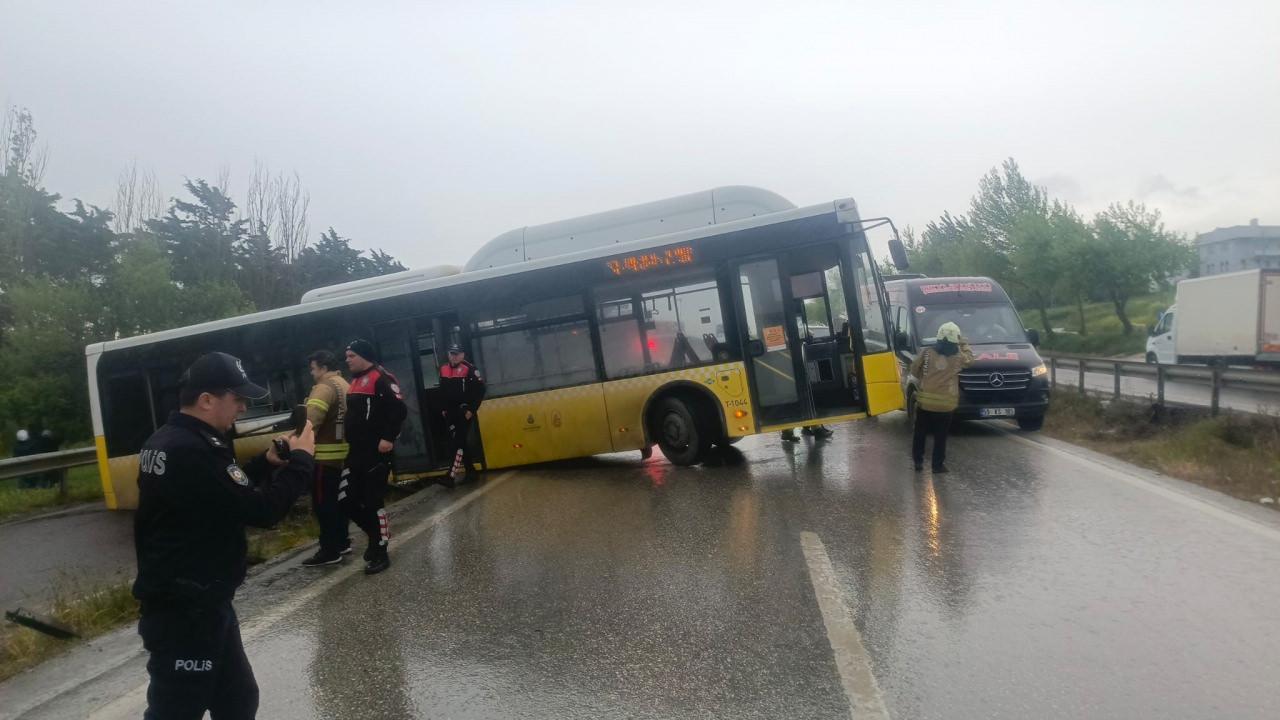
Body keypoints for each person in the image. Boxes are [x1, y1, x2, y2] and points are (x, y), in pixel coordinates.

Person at [132, 352, 316, 720]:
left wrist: (265, 463)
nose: (244, 408)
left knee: (238, 699)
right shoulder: (193, 449)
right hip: (185, 607)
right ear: (206, 400)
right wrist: (301, 462)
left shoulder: (172, 438)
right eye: (238, 399)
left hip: (204, 598)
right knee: (175, 710)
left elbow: (222, 492)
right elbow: (261, 511)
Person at [342, 339, 407, 575]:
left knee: (373, 502)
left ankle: (381, 551)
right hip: (355, 452)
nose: (347, 359)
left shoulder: (381, 377)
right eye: (347, 356)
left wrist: (387, 438)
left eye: (351, 355)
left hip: (375, 453)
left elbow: (399, 410)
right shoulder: (355, 380)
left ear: (364, 356)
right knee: (345, 500)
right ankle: (373, 536)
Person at [299, 350, 353, 568]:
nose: (312, 374)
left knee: (323, 505)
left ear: (322, 367)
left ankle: (329, 550)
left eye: (313, 369)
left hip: (323, 459)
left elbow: (310, 422)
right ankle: (342, 542)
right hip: (343, 455)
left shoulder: (323, 388)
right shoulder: (344, 384)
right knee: (339, 502)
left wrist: (296, 444)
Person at [909, 321, 974, 473]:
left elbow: (913, 369)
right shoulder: (959, 357)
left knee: (920, 433)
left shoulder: (926, 352)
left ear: (938, 336)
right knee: (941, 436)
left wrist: (925, 378)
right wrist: (965, 345)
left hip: (925, 402)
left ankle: (918, 462)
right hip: (946, 405)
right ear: (955, 339)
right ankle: (937, 466)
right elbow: (970, 361)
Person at [438, 344, 486, 487]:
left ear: (462, 355)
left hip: (464, 412)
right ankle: (471, 472)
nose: (454, 356)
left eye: (457, 354)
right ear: (448, 355)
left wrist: (471, 410)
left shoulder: (469, 369)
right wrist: (443, 408)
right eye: (452, 354)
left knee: (458, 442)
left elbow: (481, 390)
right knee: (460, 442)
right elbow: (442, 391)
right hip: (450, 412)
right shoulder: (443, 369)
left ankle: (451, 476)